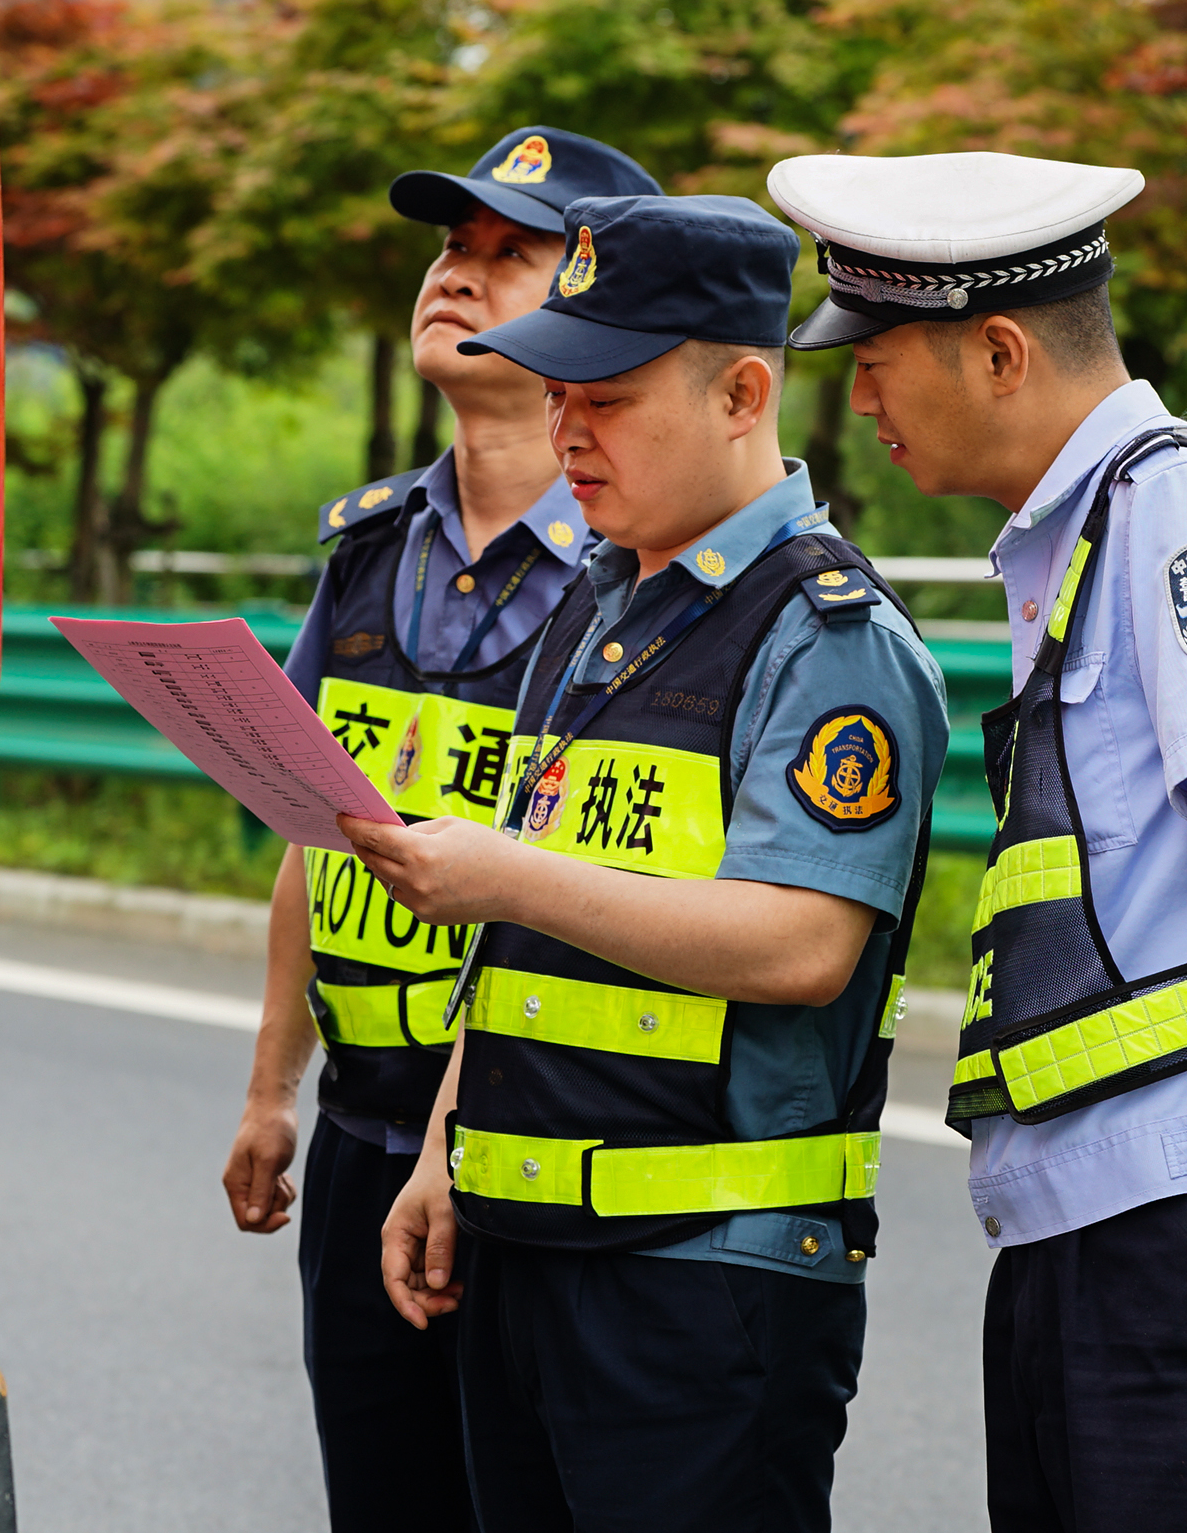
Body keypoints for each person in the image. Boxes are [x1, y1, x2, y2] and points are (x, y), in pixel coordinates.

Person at [770, 148, 1187, 1532]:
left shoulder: (1179, 507)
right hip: (1104, 1224)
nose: (859, 390)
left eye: (879, 355)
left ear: (999, 352)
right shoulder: (1077, 531)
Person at [338, 193, 949, 1533]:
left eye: (605, 401)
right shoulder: (595, 612)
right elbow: (531, 942)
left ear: (741, 392)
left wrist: (497, 875)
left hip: (702, 1285)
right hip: (522, 1248)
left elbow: (801, 944)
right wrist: (447, 1150)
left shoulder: (823, 635)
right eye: (557, 397)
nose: (566, 434)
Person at [220, 126, 659, 1533]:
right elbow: (314, 832)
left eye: (507, 254)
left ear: (595, 301)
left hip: (520, 1144)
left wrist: (453, 1146)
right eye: (448, 250)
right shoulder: (368, 550)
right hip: (359, 1134)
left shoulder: (630, 579)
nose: (455, 279)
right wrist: (271, 1092)